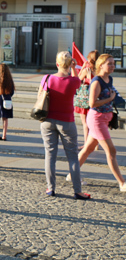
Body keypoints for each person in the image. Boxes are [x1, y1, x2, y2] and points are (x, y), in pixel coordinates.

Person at [40, 51, 90, 200]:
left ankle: (50, 188)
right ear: (69, 65)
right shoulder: (73, 81)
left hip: (47, 121)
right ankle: (77, 190)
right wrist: (74, 67)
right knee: (73, 157)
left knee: (50, 155)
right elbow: (78, 79)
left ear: (57, 64)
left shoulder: (47, 78)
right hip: (66, 122)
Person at [77, 54, 126, 192]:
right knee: (111, 150)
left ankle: (71, 173)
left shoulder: (109, 79)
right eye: (109, 63)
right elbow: (92, 103)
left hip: (104, 118)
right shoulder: (96, 81)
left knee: (88, 149)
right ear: (101, 65)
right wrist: (109, 98)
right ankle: (122, 183)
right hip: (97, 119)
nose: (112, 66)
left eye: (113, 63)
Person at [74, 50, 100, 149]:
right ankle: (96, 144)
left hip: (85, 100)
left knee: (86, 124)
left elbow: (77, 81)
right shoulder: (100, 71)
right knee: (95, 123)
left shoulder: (87, 70)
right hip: (97, 100)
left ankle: (86, 144)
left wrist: (82, 68)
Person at [0, 64, 14, 141]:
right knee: (5, 119)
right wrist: (8, 96)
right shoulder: (10, 80)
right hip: (7, 100)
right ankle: (4, 135)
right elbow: (12, 92)